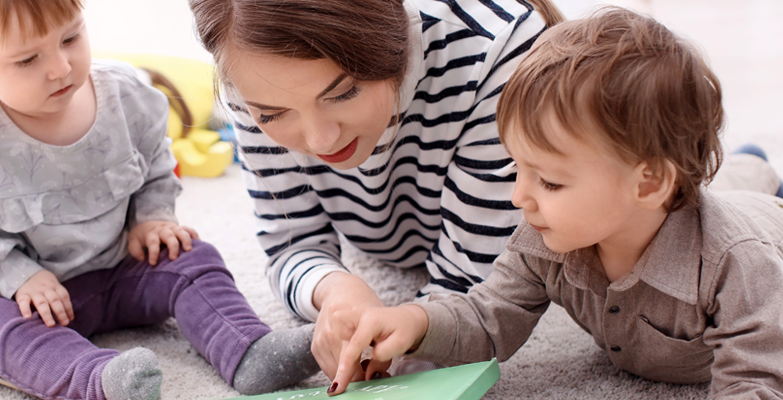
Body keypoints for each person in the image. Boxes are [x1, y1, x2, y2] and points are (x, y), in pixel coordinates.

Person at [326, 7, 783, 398]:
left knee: (738, 204)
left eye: (549, 182)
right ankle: (749, 165)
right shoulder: (544, 242)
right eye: (516, 168)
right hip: (684, 195)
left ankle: (758, 173)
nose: (519, 197)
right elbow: (488, 316)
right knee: (724, 183)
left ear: (649, 183)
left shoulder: (740, 264)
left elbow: (757, 380)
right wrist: (415, 321)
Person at [0, 0, 319, 399]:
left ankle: (246, 350)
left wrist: (152, 218)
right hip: (30, 298)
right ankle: (99, 380)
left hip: (125, 267)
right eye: (27, 60)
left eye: (71, 37)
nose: (60, 67)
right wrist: (17, 276)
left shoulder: (125, 93)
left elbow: (156, 163)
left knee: (194, 255)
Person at [190, 0, 566, 379]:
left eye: (343, 92)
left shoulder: (495, 45)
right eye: (272, 114)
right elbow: (290, 244)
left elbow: (479, 281)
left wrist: (413, 341)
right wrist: (333, 291)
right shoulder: (248, 65)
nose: (321, 141)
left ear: (392, 36)